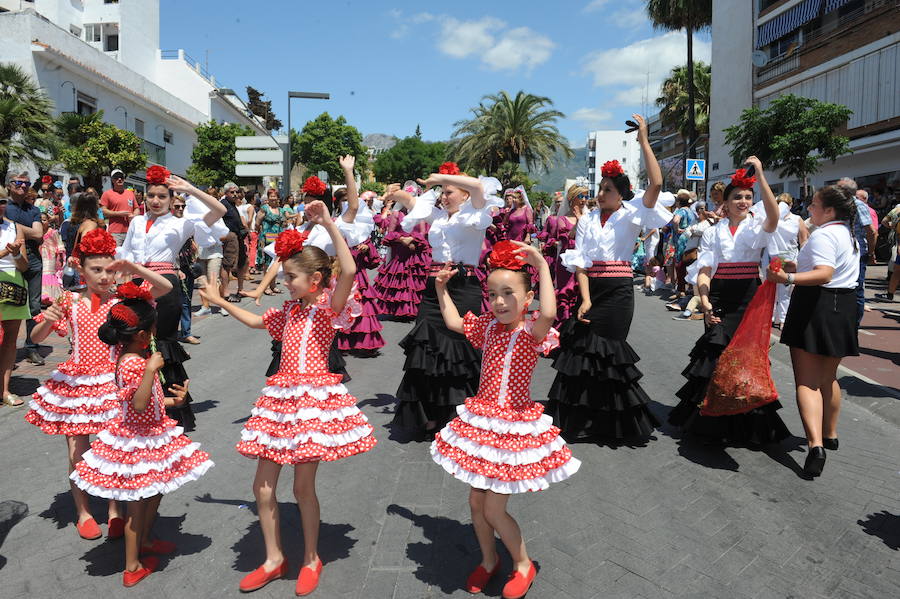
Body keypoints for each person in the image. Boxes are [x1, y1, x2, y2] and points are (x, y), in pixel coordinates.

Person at [199, 209, 377, 595]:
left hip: (312, 403)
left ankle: (311, 558)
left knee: (302, 490)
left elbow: (346, 271)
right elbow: (254, 322)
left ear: (314, 279)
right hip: (280, 400)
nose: (285, 281)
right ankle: (274, 559)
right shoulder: (289, 312)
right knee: (262, 488)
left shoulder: (328, 309)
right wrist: (220, 300)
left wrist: (329, 225)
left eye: (291, 277)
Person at [430, 240, 580, 598]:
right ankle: (487, 560)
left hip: (512, 424)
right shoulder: (488, 328)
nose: (499, 301)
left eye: (508, 293)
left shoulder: (531, 331)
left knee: (495, 509)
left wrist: (543, 267)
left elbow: (548, 314)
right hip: (483, 422)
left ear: (526, 299)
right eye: (493, 293)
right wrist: (440, 288)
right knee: (476, 503)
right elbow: (452, 321)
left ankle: (523, 564)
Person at [26, 229, 171, 539]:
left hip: (113, 382)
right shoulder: (69, 300)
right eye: (96, 270)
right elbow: (35, 338)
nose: (105, 277)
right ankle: (83, 512)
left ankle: (114, 510)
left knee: (112, 449)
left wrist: (135, 270)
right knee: (78, 451)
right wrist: (49, 319)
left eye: (109, 270)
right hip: (76, 384)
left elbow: (165, 286)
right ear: (80, 268)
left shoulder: (124, 299)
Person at [69, 282, 213, 587]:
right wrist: (150, 371)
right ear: (141, 334)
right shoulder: (133, 362)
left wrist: (177, 400)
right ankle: (132, 565)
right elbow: (137, 402)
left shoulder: (137, 356)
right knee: (136, 504)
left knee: (155, 491)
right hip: (138, 439)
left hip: (153, 432)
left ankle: (146, 541)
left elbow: (153, 399)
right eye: (154, 328)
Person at [546, 115, 670, 443]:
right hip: (593, 290)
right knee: (584, 352)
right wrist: (584, 298)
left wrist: (644, 140)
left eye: (608, 189)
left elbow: (656, 184)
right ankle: (582, 419)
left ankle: (610, 421)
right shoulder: (587, 220)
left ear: (622, 193)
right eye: (600, 189)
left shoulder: (633, 213)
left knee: (610, 353)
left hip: (618, 293)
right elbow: (582, 264)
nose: (600, 194)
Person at [667, 158, 790, 446]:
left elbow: (773, 216)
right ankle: (710, 424)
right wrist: (705, 300)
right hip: (719, 295)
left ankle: (746, 426)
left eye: (748, 197)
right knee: (715, 356)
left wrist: (760, 174)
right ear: (727, 201)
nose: (744, 202)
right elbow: (706, 268)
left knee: (745, 360)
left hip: (749, 296)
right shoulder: (713, 231)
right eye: (738, 197)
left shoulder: (758, 226)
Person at [388, 166, 502, 437]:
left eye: (449, 192)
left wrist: (443, 178)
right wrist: (397, 193)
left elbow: (476, 184)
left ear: (463, 194)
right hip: (433, 285)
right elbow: (411, 201)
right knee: (427, 348)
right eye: (441, 192)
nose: (443, 196)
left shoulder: (476, 210)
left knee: (459, 350)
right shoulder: (437, 215)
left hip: (464, 286)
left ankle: (457, 413)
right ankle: (429, 413)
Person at [118, 166, 227, 431]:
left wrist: (189, 190)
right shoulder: (136, 222)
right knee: (135, 344)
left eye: (162, 196)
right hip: (134, 286)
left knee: (163, 344)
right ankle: (138, 403)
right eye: (152, 195)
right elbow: (126, 254)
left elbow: (219, 212)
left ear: (171, 199)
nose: (156, 200)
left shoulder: (182, 222)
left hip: (165, 285)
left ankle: (173, 409)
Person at [767, 186, 861, 477]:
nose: (809, 209)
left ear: (829, 211)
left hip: (815, 304)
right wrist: (798, 265)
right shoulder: (848, 234)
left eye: (815, 205)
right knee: (828, 377)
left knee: (807, 382)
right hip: (842, 305)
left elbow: (825, 272)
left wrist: (788, 276)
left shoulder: (823, 234)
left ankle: (815, 446)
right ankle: (830, 434)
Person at [369, 188, 431, 321]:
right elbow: (389, 233)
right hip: (400, 253)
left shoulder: (422, 214)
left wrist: (414, 239)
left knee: (415, 282)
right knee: (400, 281)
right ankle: (399, 310)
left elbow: (425, 234)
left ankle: (414, 310)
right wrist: (402, 239)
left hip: (417, 254)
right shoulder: (397, 214)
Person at [0, 186, 30, 406]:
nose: (0, 206)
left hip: (13, 284)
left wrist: (16, 253)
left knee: (10, 341)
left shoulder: (15, 227)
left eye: (2, 202)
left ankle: (5, 390)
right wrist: (4, 252)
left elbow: (24, 265)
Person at [540, 186, 586, 325]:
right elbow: (566, 238)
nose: (584, 200)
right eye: (581, 196)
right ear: (572, 199)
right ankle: (564, 325)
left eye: (586, 197)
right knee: (566, 291)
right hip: (567, 262)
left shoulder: (590, 216)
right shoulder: (563, 219)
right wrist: (578, 222)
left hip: (584, 262)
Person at [836, 178, 875, 325]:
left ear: (846, 191)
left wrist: (871, 253)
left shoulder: (858, 205)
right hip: (839, 251)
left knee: (857, 288)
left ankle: (854, 325)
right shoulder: (835, 204)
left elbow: (871, 231)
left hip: (856, 251)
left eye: (838, 188)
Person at [770, 193, 809, 328]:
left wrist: (803, 260)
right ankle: (771, 316)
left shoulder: (797, 219)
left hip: (791, 257)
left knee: (785, 290)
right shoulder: (773, 218)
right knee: (772, 288)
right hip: (775, 257)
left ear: (791, 205)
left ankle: (783, 318)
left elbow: (803, 240)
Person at [219, 182, 247, 302]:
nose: (235, 194)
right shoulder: (222, 204)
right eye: (232, 192)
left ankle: (240, 290)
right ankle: (225, 293)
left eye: (236, 192)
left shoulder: (232, 204)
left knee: (243, 262)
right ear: (226, 193)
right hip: (229, 239)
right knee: (227, 265)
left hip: (239, 238)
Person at [100, 169, 138, 246]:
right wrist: (119, 214)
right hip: (115, 233)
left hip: (130, 231)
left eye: (121, 177)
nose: (119, 179)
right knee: (116, 255)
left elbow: (136, 208)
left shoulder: (130, 193)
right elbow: (104, 211)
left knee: (130, 256)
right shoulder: (107, 194)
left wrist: (134, 215)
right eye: (116, 177)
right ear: (112, 180)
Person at [38, 211, 65, 304]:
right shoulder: (37, 233)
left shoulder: (53, 232)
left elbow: (59, 244)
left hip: (51, 256)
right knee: (41, 273)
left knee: (48, 273)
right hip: (40, 255)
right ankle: (43, 295)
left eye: (44, 220)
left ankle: (50, 296)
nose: (42, 222)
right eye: (40, 220)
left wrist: (60, 256)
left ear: (48, 221)